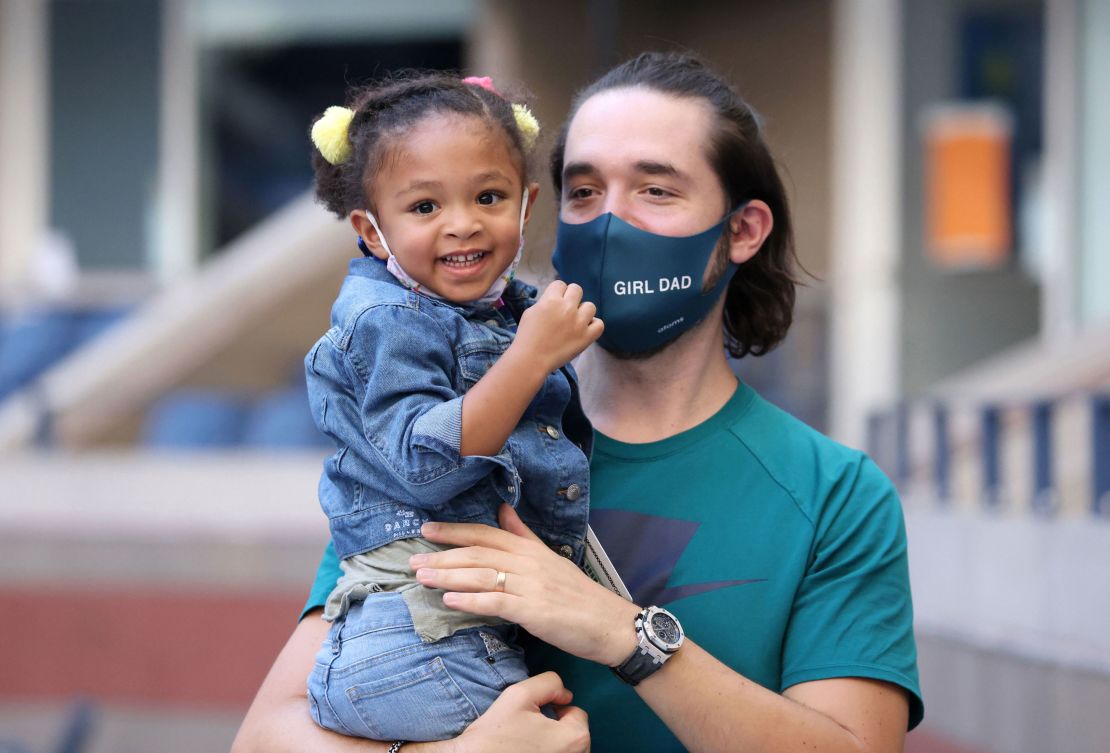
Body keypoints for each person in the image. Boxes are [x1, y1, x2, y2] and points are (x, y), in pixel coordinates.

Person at [233, 51, 923, 753]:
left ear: (741, 230)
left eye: (655, 190)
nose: (609, 223)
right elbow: (263, 739)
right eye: (585, 192)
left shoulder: (835, 494)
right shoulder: (441, 445)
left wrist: (617, 631)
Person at [301, 72, 603, 744]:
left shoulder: (495, 307)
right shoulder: (386, 319)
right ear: (373, 232)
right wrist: (531, 357)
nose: (462, 222)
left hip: (447, 630)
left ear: (525, 206)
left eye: (488, 196)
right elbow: (425, 463)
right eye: (424, 207)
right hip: (419, 639)